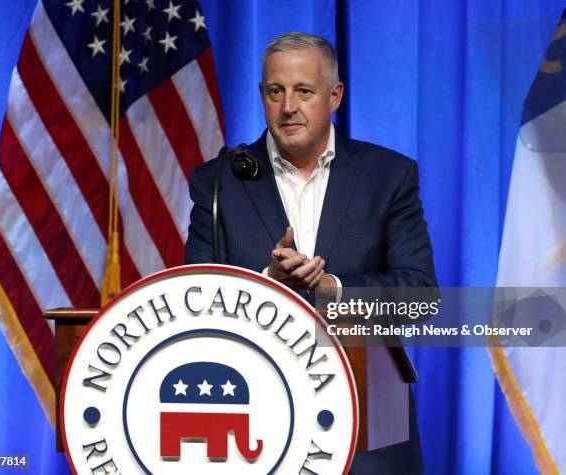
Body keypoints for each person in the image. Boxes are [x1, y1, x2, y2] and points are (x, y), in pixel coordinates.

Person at [185, 31, 436, 475]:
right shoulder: (219, 182)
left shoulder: (389, 176)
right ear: (262, 95)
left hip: (370, 416)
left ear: (334, 96)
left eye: (304, 91)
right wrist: (267, 285)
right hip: (254, 416)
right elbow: (193, 301)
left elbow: (420, 294)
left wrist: (331, 288)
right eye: (275, 91)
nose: (288, 107)